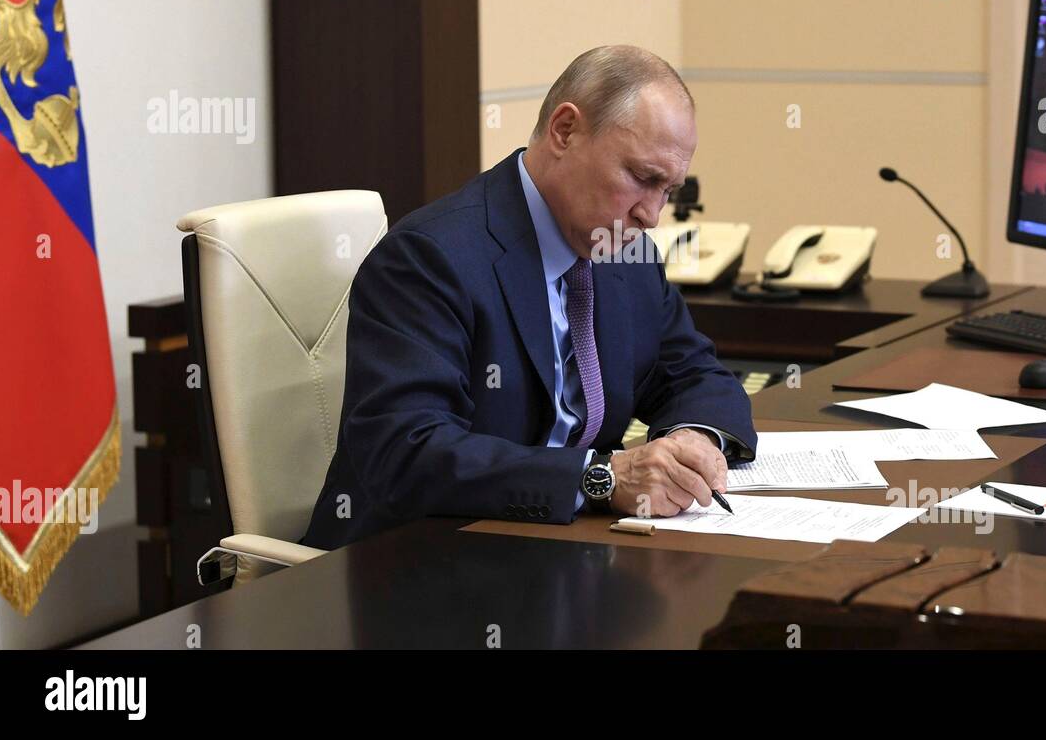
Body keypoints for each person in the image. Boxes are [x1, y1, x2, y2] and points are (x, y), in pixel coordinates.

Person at [303, 45, 756, 549]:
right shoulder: (429, 258)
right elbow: (406, 454)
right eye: (642, 178)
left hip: (559, 551)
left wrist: (694, 439)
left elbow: (695, 373)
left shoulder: (625, 253)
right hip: (420, 562)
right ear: (565, 131)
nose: (652, 215)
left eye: (667, 190)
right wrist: (599, 477)